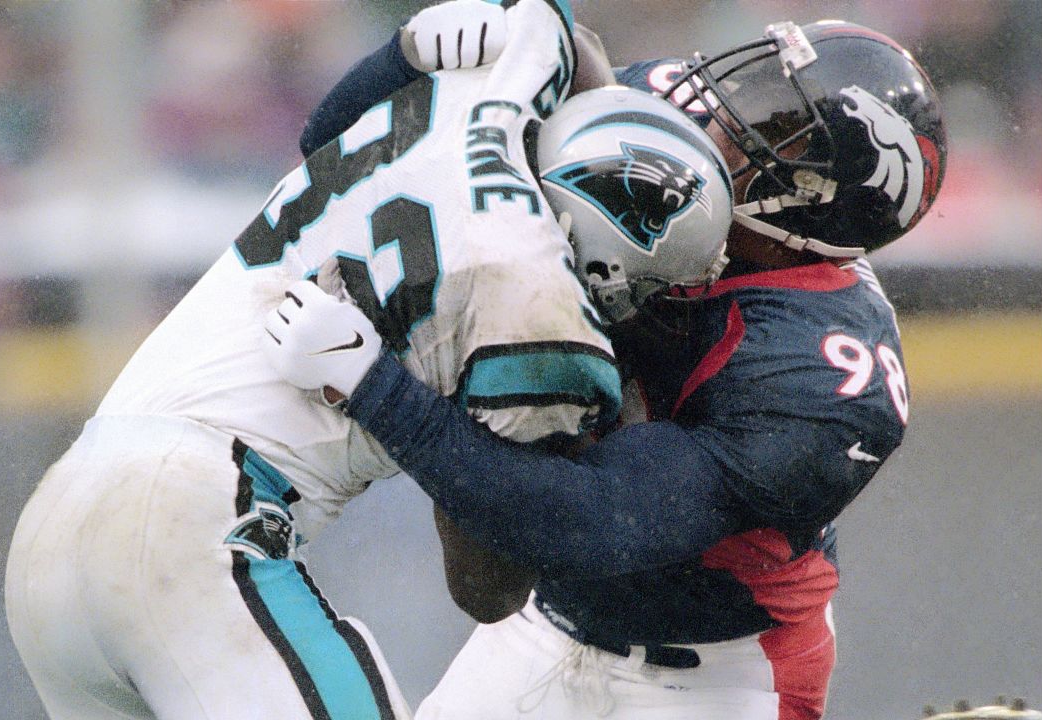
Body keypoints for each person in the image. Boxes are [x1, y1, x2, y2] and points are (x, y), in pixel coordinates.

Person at [2, 1, 732, 718]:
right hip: (189, 537)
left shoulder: (506, 77)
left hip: (54, 534)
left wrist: (400, 56)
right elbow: (488, 584)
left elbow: (324, 132)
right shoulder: (539, 304)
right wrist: (406, 399)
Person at [261, 19, 947, 720]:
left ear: (811, 204)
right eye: (757, 83)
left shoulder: (816, 374)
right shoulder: (662, 112)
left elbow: (582, 524)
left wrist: (374, 387)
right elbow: (328, 146)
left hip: (716, 675)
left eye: (774, 128)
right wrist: (407, 55)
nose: (719, 115)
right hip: (548, 626)